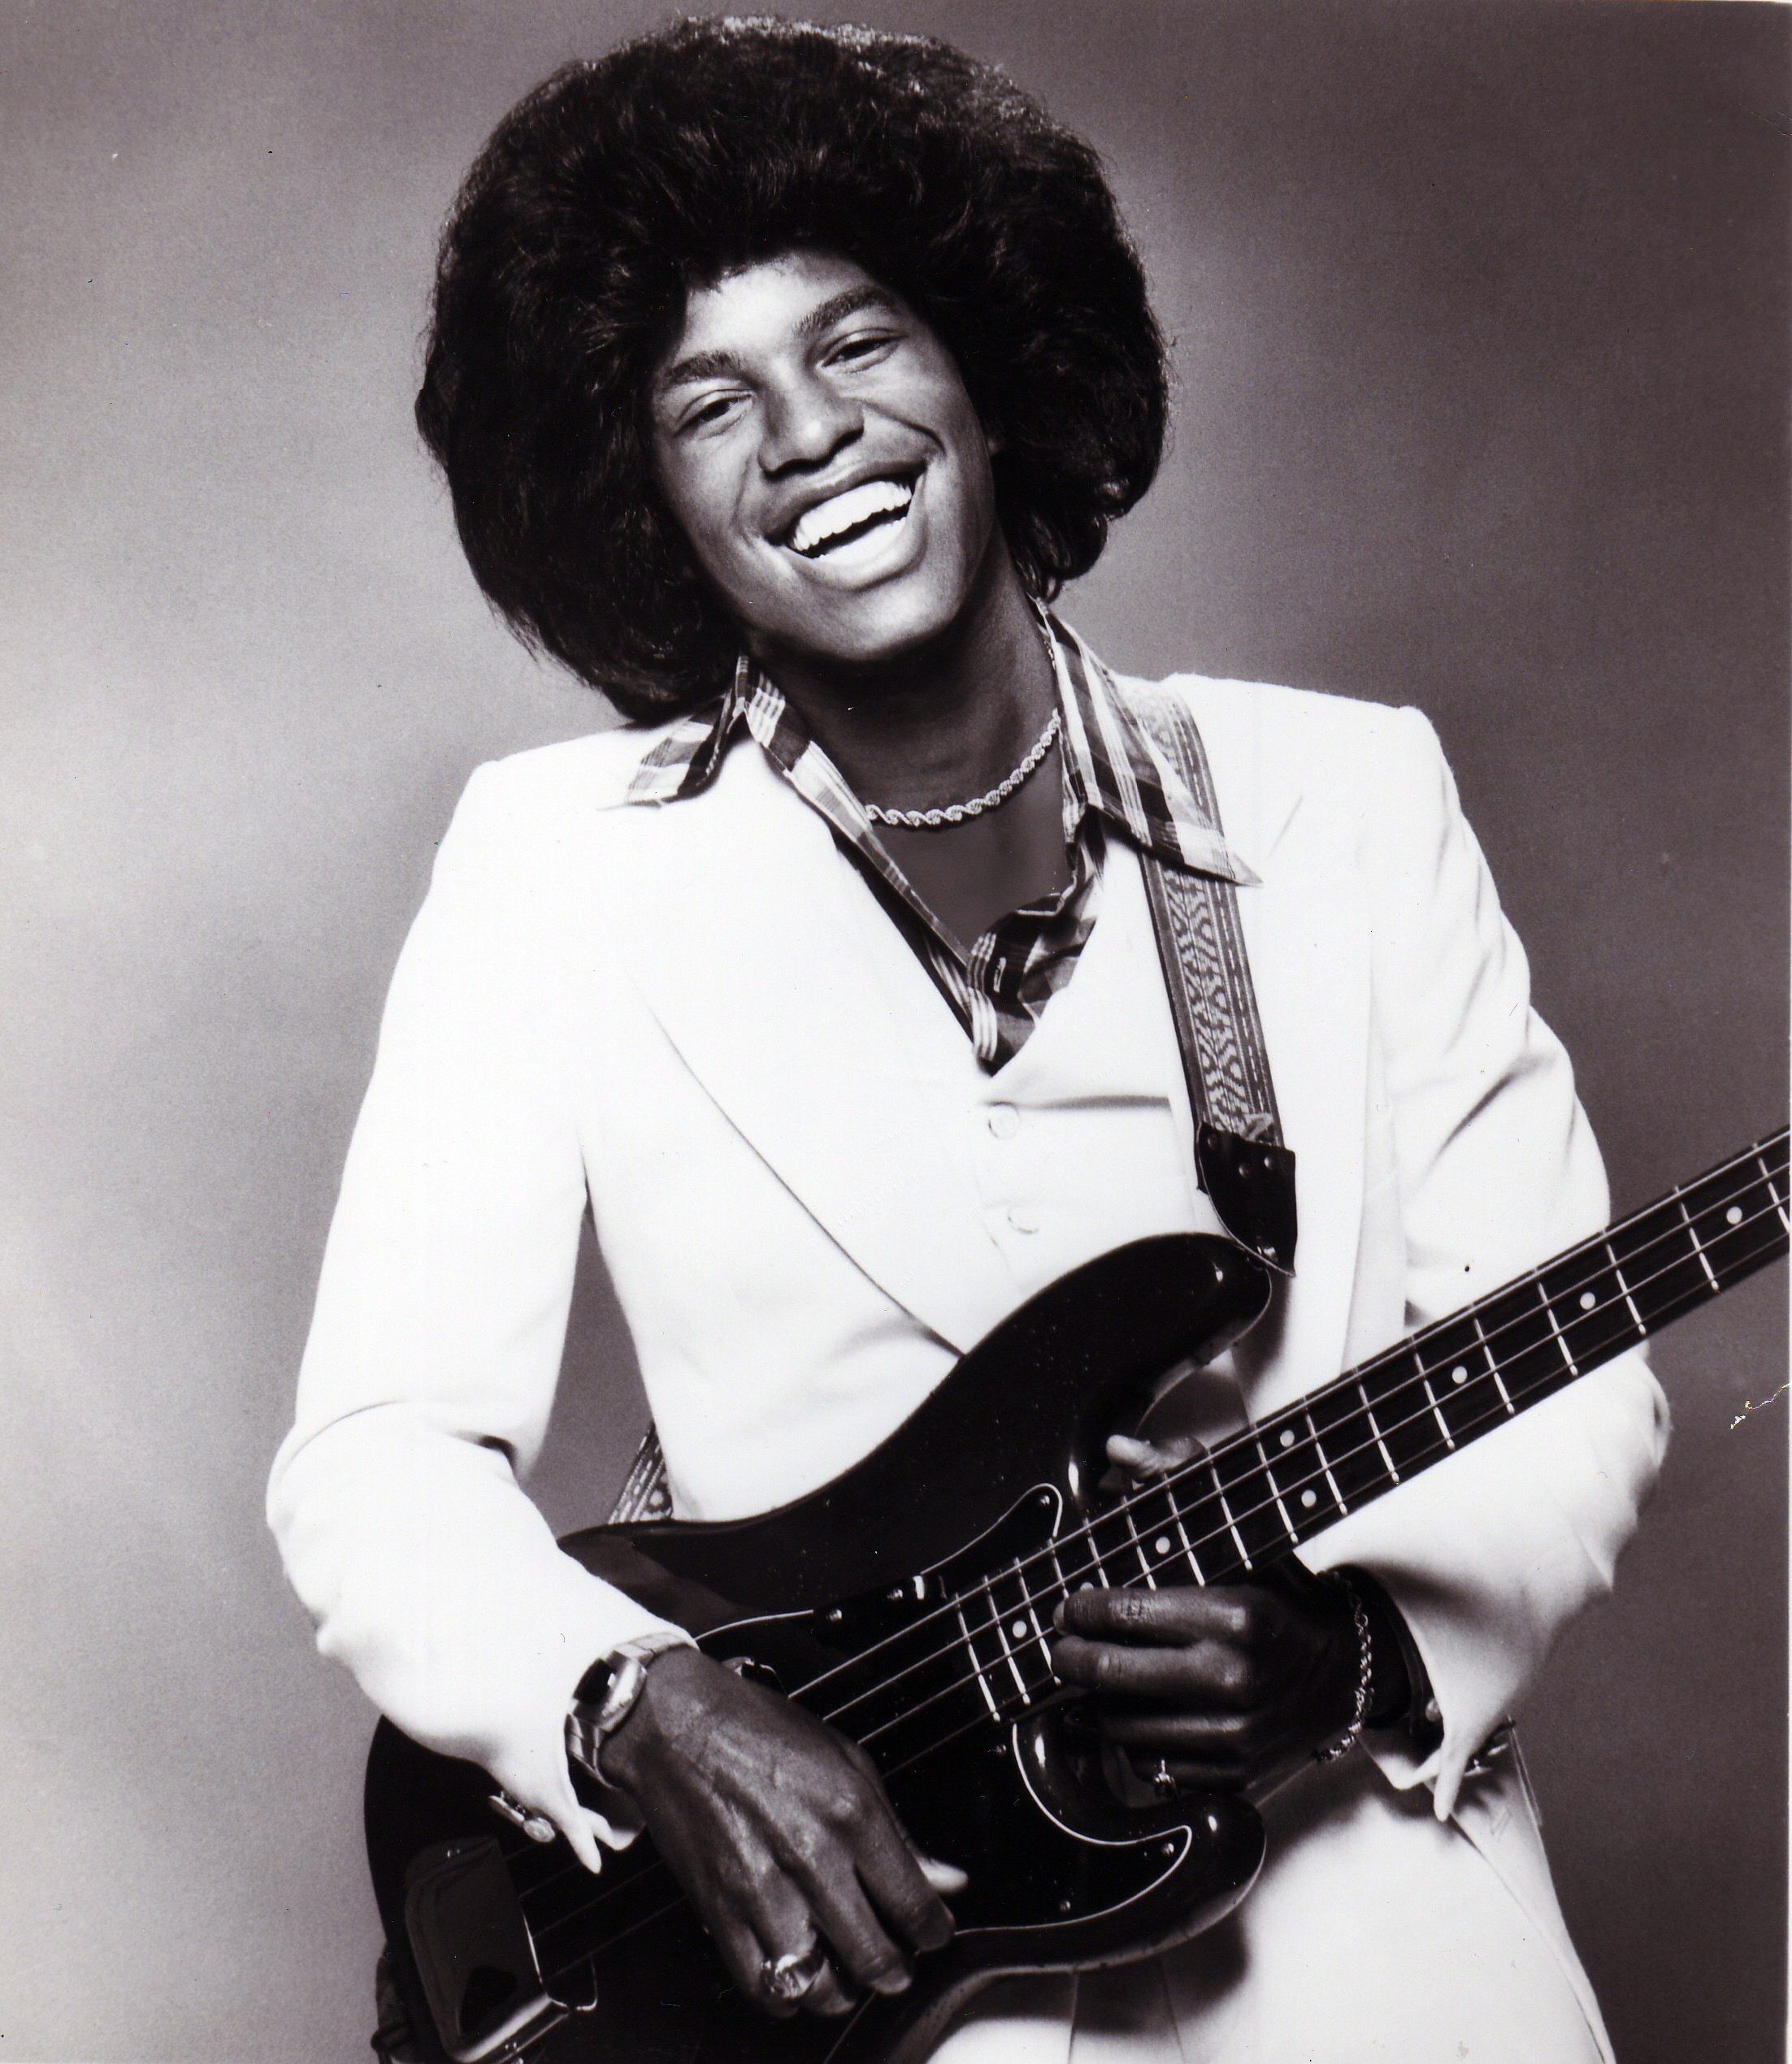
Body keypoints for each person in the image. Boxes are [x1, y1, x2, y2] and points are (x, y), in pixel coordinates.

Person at [267, 20, 1667, 2062]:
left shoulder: (1339, 795)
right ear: (644, 496)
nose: (808, 436)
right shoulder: (546, 866)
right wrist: (630, 1702)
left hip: (1380, 1977)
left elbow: (1566, 1353)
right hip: (872, 1995)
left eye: (857, 345)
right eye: (705, 402)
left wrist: (1358, 1647)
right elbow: (377, 1454)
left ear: (991, 371)